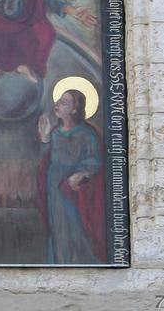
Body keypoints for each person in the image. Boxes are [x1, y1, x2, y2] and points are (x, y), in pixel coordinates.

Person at [37, 89, 105, 264]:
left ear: (75, 109)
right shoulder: (55, 133)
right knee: (58, 231)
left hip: (73, 191)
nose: (58, 104)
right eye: (58, 100)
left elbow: (94, 160)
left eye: (65, 102)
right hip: (54, 190)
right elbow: (45, 160)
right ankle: (59, 264)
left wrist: (81, 173)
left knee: (76, 230)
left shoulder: (87, 134)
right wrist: (44, 138)